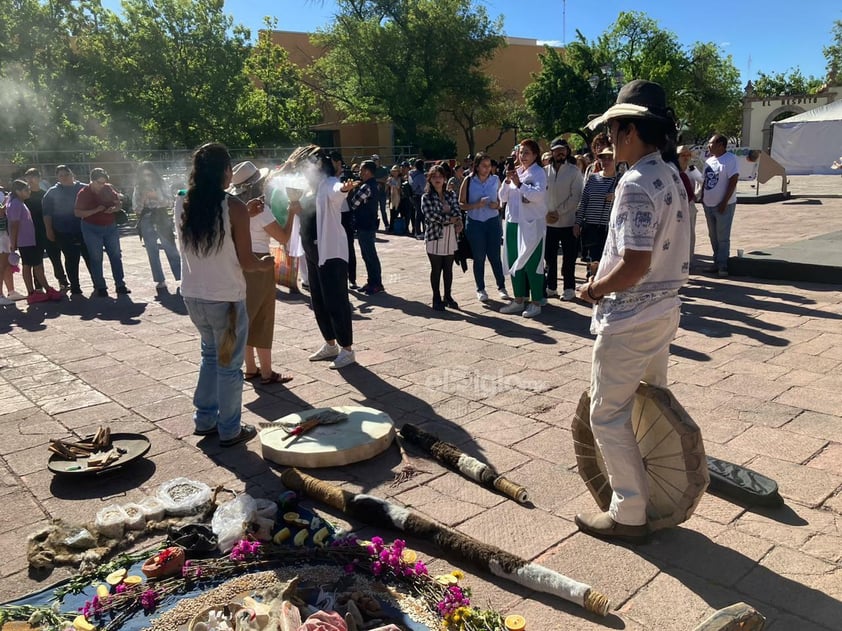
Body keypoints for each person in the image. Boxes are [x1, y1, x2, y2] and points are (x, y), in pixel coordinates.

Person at [575, 79, 690, 543]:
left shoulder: (637, 182)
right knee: (648, 402)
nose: (608, 141)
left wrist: (595, 288)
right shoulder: (672, 177)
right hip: (664, 311)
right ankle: (653, 492)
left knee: (607, 413)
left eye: (614, 130)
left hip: (630, 317)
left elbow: (635, 262)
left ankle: (629, 511)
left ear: (629, 131)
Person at [175, 143, 274, 446]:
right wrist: (265, 265)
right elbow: (247, 261)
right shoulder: (234, 208)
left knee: (209, 356)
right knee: (230, 366)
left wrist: (245, 210)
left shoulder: (182, 201)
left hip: (193, 295)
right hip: (226, 299)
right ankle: (230, 428)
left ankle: (204, 419)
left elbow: (216, 215)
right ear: (225, 171)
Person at [229, 161, 297, 386]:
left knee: (246, 317)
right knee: (263, 317)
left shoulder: (232, 206)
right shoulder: (260, 209)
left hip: (239, 262)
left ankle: (250, 368)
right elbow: (284, 238)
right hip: (259, 264)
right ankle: (267, 372)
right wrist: (292, 213)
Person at [298, 148, 357, 369]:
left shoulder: (329, 184)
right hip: (312, 252)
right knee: (319, 300)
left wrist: (345, 187)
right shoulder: (308, 190)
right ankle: (330, 344)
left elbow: (337, 190)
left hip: (330, 252)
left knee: (336, 300)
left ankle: (347, 349)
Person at [498, 139, 548, 318]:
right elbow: (502, 197)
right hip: (512, 223)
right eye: (521, 152)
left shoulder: (539, 173)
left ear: (535, 155)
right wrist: (507, 179)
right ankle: (519, 299)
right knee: (514, 263)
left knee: (532, 263)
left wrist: (519, 184)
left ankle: (536, 302)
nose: (523, 156)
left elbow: (538, 195)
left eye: (527, 152)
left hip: (531, 224)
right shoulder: (516, 172)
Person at [459, 152, 508, 302]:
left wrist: (497, 205)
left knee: (494, 256)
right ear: (477, 166)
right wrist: (475, 205)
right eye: (484, 166)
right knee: (479, 257)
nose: (487, 169)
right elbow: (460, 203)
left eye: (489, 166)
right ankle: (480, 288)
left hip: (492, 221)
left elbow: (502, 200)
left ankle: (501, 286)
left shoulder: (495, 180)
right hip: (475, 222)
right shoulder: (468, 180)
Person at [74, 168, 131, 297]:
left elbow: (118, 204)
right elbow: (77, 213)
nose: (101, 185)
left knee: (116, 256)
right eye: (99, 183)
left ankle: (120, 284)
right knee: (96, 257)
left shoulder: (108, 188)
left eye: (103, 182)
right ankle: (100, 286)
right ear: (92, 181)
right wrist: (95, 210)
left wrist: (114, 209)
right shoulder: (83, 193)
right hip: (91, 228)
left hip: (110, 226)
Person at [6, 180, 63, 305]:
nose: (29, 191)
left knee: (32, 265)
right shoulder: (16, 204)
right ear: (18, 191)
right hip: (26, 241)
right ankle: (35, 292)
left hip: (29, 240)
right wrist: (13, 243)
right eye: (26, 189)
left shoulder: (18, 202)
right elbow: (14, 224)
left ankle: (37, 291)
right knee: (34, 266)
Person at [544, 138, 584, 301]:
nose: (560, 153)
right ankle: (551, 287)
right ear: (552, 152)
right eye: (556, 150)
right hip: (548, 222)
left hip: (567, 222)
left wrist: (557, 212)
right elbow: (541, 194)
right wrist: (547, 212)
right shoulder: (545, 171)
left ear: (567, 151)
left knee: (569, 259)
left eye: (563, 150)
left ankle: (569, 288)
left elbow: (575, 197)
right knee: (550, 257)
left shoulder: (574, 171)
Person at [132, 162, 181, 289]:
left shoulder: (162, 183)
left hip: (161, 217)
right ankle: (160, 280)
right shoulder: (138, 187)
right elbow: (136, 209)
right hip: (146, 218)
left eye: (149, 174)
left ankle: (181, 277)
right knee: (152, 251)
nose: (147, 177)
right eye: (144, 175)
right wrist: (143, 198)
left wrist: (157, 196)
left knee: (171, 248)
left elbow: (171, 202)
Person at [42, 166, 89, 295]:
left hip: (86, 230)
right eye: (61, 175)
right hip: (64, 232)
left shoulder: (84, 188)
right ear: (57, 177)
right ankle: (75, 286)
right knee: (71, 259)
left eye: (66, 174)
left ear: (72, 174)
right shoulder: (52, 192)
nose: (64, 177)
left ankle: (98, 283)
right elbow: (47, 214)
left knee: (90, 257)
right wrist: (49, 230)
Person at [422, 164, 463, 310]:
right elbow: (430, 216)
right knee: (436, 268)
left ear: (445, 178)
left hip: (450, 235)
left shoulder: (450, 194)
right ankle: (436, 297)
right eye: (434, 177)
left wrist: (457, 221)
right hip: (435, 235)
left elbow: (457, 211)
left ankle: (448, 295)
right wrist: (449, 219)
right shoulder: (426, 197)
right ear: (430, 180)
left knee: (448, 268)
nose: (437, 179)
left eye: (440, 176)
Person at [574, 146, 617, 279]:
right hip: (591, 226)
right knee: (593, 260)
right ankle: (592, 286)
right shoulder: (592, 179)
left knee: (609, 261)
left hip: (610, 228)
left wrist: (616, 196)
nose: (606, 161)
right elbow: (584, 201)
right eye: (603, 158)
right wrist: (577, 223)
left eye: (610, 158)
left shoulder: (621, 180)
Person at [700, 134, 739, 277]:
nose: (708, 146)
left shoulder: (730, 159)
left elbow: (733, 180)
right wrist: (703, 197)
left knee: (722, 236)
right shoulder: (709, 161)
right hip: (708, 204)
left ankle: (723, 265)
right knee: (713, 235)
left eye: (711, 143)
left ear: (721, 145)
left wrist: (724, 201)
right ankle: (716, 262)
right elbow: (705, 180)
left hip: (724, 205)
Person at [24, 168, 68, 291]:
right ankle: (38, 284)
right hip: (32, 233)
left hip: (47, 230)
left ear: (39, 178)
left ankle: (62, 280)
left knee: (55, 256)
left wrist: (52, 229)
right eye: (28, 177)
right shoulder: (24, 196)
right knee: (36, 260)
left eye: (33, 177)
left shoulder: (45, 194)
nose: (31, 180)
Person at [347, 160, 384, 295]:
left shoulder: (366, 187)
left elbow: (353, 203)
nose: (360, 172)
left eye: (362, 170)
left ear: (367, 171)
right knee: (368, 254)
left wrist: (350, 189)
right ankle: (372, 281)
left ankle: (376, 283)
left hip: (365, 224)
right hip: (369, 223)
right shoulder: (373, 185)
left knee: (369, 255)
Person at [329, 151, 358, 288]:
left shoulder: (348, 175)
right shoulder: (326, 178)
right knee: (334, 248)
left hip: (346, 215)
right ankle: (339, 278)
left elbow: (353, 192)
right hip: (332, 216)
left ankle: (352, 278)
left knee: (349, 247)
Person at [677, 146, 703, 270]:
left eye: (688, 155)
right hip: (676, 206)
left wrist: (696, 196)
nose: (686, 157)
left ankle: (688, 261)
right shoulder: (672, 170)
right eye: (683, 155)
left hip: (689, 205)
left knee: (690, 234)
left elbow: (702, 182)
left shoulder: (693, 170)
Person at [408, 158, 427, 238]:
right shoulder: (420, 175)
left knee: (417, 214)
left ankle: (417, 231)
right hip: (419, 196)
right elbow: (424, 188)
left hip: (413, 196)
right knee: (420, 214)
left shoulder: (411, 174)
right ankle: (419, 232)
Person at [371, 154, 390, 231]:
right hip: (374, 193)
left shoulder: (383, 169)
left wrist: (377, 180)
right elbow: (371, 180)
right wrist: (379, 180)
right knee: (374, 210)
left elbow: (386, 180)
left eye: (376, 160)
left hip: (382, 193)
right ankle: (375, 226)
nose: (375, 162)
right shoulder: (371, 170)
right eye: (374, 160)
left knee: (383, 210)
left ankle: (386, 225)